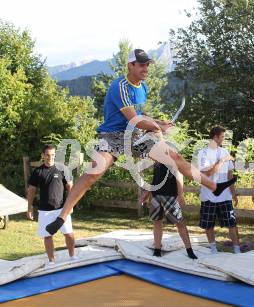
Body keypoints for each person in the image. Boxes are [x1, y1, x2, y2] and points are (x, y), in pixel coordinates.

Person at [46, 49, 236, 235]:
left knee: (175, 157)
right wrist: (157, 127)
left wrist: (159, 122)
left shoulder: (142, 88)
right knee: (93, 173)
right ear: (130, 65)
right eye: (142, 65)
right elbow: (132, 119)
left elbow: (140, 115)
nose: (146, 68)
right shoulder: (119, 86)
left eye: (147, 65)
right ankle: (62, 216)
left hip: (136, 136)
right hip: (113, 136)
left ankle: (214, 186)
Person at [27, 144, 76, 264]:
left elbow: (70, 186)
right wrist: (29, 208)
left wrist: (70, 205)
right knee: (48, 236)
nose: (50, 157)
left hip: (62, 209)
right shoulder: (38, 172)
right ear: (43, 155)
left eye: (53, 155)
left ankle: (73, 256)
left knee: (69, 234)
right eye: (48, 155)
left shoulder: (62, 169)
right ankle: (51, 261)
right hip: (45, 211)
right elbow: (31, 190)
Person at [141, 161, 197, 259]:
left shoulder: (172, 158)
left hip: (170, 195)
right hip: (156, 196)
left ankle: (189, 251)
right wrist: (147, 192)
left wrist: (180, 195)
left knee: (180, 223)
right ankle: (157, 250)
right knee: (157, 222)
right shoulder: (157, 160)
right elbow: (155, 179)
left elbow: (179, 175)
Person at [198, 126, 240, 254]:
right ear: (215, 137)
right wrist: (221, 161)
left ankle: (237, 250)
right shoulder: (203, 153)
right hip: (208, 196)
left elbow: (230, 176)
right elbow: (208, 174)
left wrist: (233, 193)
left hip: (225, 196)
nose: (224, 139)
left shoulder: (225, 152)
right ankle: (213, 250)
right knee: (209, 225)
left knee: (231, 224)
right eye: (222, 137)